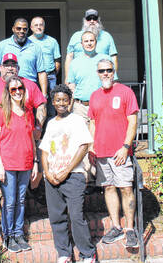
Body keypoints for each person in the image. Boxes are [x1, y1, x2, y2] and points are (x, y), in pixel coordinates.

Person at [39, 84, 96, 263]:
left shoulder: (77, 120)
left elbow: (84, 146)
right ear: (53, 102)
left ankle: (88, 253)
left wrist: (67, 170)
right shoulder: (50, 123)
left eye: (65, 100)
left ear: (70, 102)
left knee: (76, 216)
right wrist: (47, 172)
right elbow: (45, 150)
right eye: (58, 100)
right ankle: (64, 253)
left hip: (74, 176)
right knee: (57, 217)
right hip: (52, 178)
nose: (61, 103)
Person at [88, 59, 140, 248]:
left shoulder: (125, 92)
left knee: (126, 188)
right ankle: (116, 226)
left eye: (109, 70)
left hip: (120, 152)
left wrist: (126, 147)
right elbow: (92, 122)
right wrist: (91, 146)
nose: (106, 74)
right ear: (98, 73)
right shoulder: (94, 96)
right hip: (101, 152)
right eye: (102, 71)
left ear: (114, 71)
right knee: (108, 188)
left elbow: (133, 122)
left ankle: (130, 228)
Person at [0, 75, 39, 253]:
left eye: (20, 88)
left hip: (25, 163)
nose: (18, 92)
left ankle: (19, 234)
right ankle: (8, 236)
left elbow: (31, 139)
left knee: (20, 200)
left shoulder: (28, 111)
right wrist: (0, 165)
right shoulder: (0, 111)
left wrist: (35, 162)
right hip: (8, 164)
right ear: (8, 92)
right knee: (10, 202)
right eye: (13, 89)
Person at [0, 53, 47, 147]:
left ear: (18, 68)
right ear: (1, 68)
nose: (10, 68)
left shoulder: (29, 85)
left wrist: (38, 127)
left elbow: (41, 105)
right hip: (1, 142)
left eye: (13, 65)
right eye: (6, 65)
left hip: (26, 140)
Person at [0, 18, 48, 95]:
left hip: (30, 89)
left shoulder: (35, 47)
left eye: (24, 29)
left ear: (28, 30)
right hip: (7, 88)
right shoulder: (2, 45)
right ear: (13, 29)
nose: (21, 31)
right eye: (18, 28)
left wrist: (44, 94)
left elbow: (41, 73)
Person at [65, 31, 114, 122]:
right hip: (80, 108)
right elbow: (71, 87)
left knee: (100, 136)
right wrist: (69, 107)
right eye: (86, 41)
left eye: (92, 40)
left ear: (96, 42)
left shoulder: (106, 59)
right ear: (81, 44)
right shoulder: (74, 63)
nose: (89, 43)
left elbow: (112, 83)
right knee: (81, 136)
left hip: (102, 106)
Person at [64, 9, 117, 81]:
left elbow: (113, 58)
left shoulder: (107, 36)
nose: (92, 21)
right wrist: (67, 78)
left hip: (102, 79)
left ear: (98, 20)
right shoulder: (75, 36)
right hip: (80, 78)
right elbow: (69, 57)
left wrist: (113, 77)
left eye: (94, 18)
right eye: (89, 18)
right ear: (84, 20)